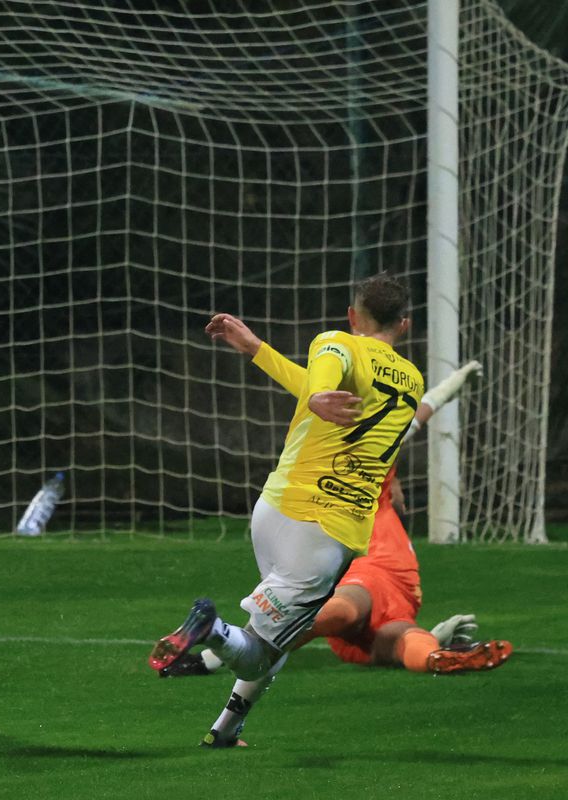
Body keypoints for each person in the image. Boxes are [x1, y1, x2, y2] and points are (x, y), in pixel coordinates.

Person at [149, 272, 424, 748]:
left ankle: (226, 730)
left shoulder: (336, 342)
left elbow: (322, 375)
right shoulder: (413, 381)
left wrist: (259, 350)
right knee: (258, 650)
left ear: (352, 315)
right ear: (405, 324)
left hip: (275, 508)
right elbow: (325, 377)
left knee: (278, 634)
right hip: (323, 533)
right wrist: (316, 393)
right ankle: (212, 630)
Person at [161, 313, 510, 678]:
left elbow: (319, 388)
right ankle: (434, 654)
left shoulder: (345, 424)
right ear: (403, 325)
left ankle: (216, 649)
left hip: (359, 554)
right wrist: (455, 382)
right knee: (393, 635)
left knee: (347, 618)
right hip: (394, 572)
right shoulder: (388, 426)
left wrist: (257, 350)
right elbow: (421, 411)